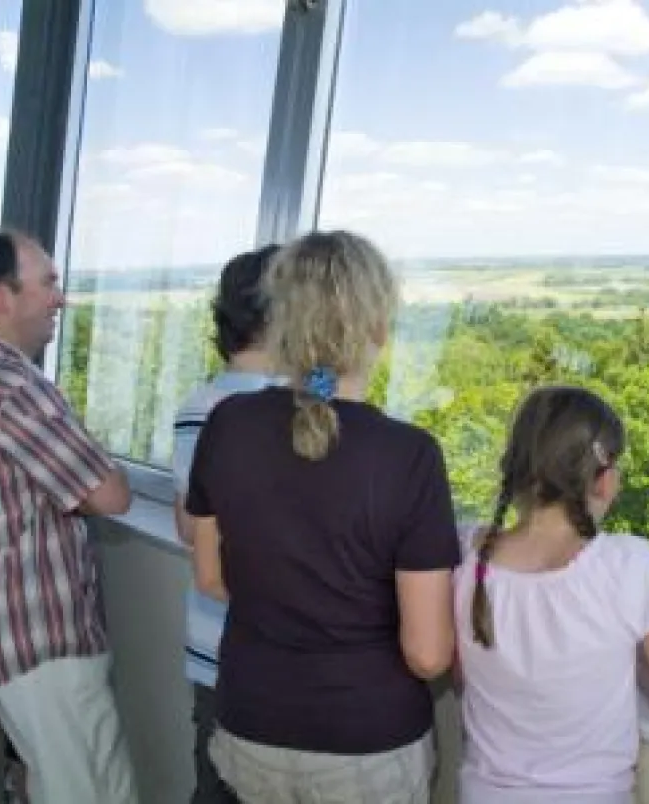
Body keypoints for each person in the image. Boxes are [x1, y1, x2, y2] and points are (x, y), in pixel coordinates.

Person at [184, 230, 461, 803]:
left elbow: (210, 578)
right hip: (365, 744)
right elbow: (428, 653)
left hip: (250, 726)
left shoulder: (227, 423)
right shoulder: (408, 456)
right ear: (378, 328)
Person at [0, 227, 139, 804]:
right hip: (42, 637)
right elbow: (111, 495)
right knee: (85, 789)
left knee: (63, 779)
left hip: (4, 627)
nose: (60, 298)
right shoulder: (15, 389)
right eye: (47, 282)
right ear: (0, 297)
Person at [453, 386, 649, 804]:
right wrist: (638, 667)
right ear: (605, 480)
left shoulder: (465, 556)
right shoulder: (630, 567)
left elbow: (463, 671)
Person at [169, 244, 280, 804]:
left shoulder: (199, 403)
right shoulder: (290, 411)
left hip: (213, 643)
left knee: (216, 784)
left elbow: (190, 523)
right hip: (264, 649)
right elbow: (197, 527)